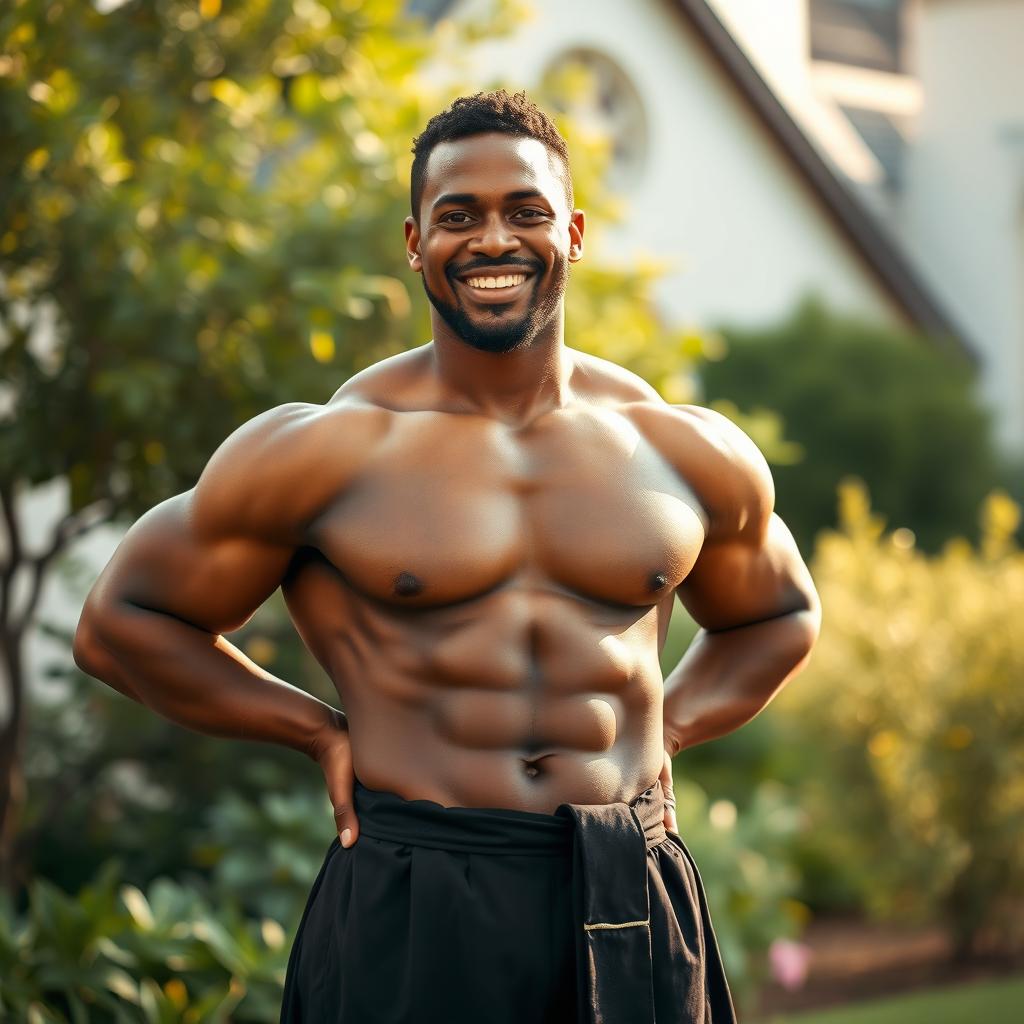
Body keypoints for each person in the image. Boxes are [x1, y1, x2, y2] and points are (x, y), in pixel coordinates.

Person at [74, 89, 821, 1023]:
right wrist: (315, 729)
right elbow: (120, 625)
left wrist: (669, 728)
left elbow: (781, 614)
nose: (493, 240)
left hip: (628, 884)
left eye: (526, 211)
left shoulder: (677, 447)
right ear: (414, 243)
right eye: (457, 216)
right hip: (418, 886)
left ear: (575, 233)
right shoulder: (326, 450)